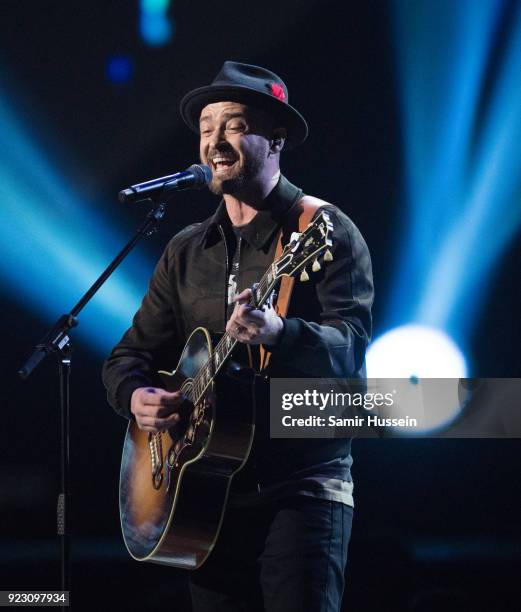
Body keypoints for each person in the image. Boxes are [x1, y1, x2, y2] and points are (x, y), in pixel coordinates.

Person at [103, 61, 374, 612]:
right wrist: (137, 397)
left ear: (275, 139)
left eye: (232, 125)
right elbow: (130, 355)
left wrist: (281, 333)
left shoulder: (321, 230)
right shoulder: (186, 249)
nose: (214, 142)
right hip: (205, 495)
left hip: (301, 487)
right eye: (206, 129)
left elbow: (351, 354)